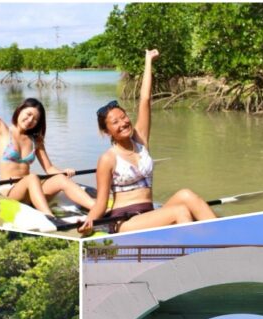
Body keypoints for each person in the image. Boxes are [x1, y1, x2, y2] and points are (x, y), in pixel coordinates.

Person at [79, 49, 216, 235]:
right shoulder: (107, 159)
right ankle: (195, 254)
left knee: (187, 195)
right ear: (106, 131)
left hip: (149, 213)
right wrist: (89, 222)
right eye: (115, 122)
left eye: (124, 117)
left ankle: (224, 237)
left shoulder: (140, 140)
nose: (123, 123)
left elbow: (145, 99)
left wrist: (148, 60)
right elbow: (101, 203)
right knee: (180, 211)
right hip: (125, 220)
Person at [0, 65, 95, 217]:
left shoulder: (36, 140)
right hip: (11, 192)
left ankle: (98, 208)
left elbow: (49, 169)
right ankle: (49, 217)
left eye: (35, 119)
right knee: (32, 177)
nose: (30, 120)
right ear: (20, 110)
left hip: (33, 190)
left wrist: (64, 171)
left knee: (59, 179)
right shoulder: (2, 130)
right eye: (28, 114)